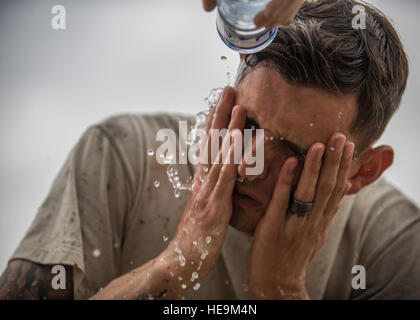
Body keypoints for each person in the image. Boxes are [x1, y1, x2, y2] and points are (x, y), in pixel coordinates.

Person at [1, 0, 419, 300]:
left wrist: (282, 289)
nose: (249, 166)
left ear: (362, 173)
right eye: (248, 124)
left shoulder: (391, 239)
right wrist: (177, 263)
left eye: (295, 153)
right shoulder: (121, 158)